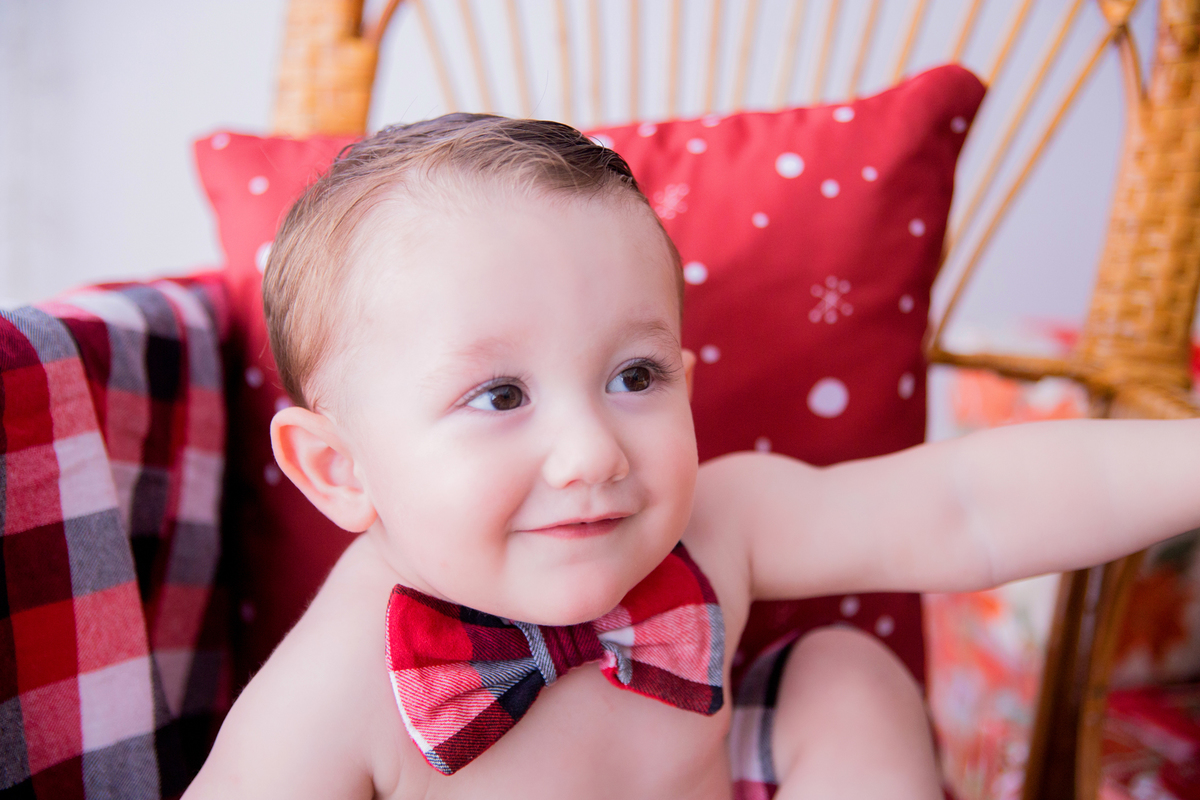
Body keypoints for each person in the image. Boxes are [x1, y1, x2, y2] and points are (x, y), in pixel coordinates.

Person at [183, 114, 1200, 800]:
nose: (590, 451)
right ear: (339, 470)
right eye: (499, 395)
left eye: (634, 375)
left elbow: (967, 504)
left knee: (842, 676)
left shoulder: (720, 525)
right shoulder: (333, 688)